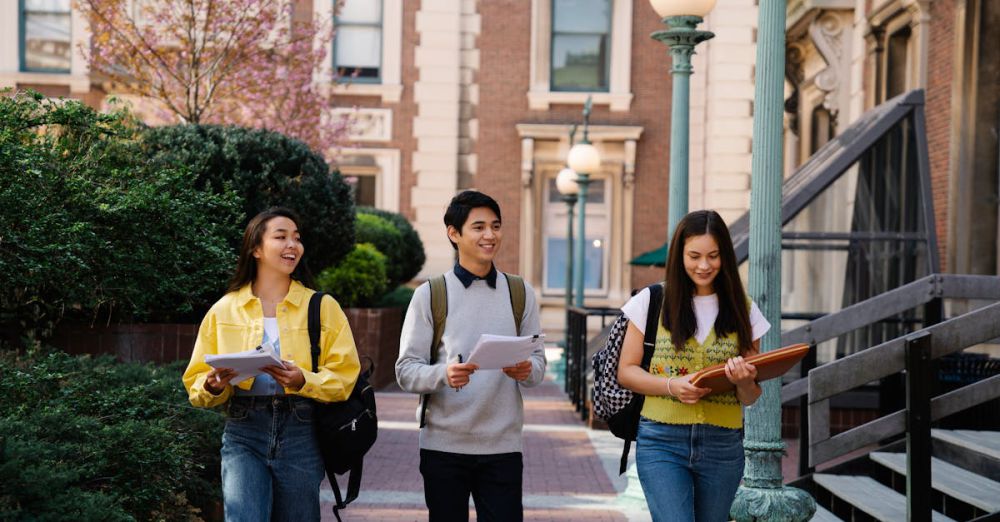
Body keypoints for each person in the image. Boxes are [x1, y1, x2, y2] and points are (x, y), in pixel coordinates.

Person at [182, 207, 360, 522]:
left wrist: (304, 380)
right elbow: (196, 382)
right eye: (281, 237)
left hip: (301, 430)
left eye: (297, 238)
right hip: (243, 428)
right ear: (256, 249)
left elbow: (345, 376)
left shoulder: (321, 306)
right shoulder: (225, 309)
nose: (293, 245)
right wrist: (212, 385)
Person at [395, 190, 546, 522]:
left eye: (495, 226)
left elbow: (538, 366)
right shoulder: (430, 294)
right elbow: (406, 370)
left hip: (503, 447)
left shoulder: (520, 292)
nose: (490, 235)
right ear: (454, 233)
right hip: (443, 447)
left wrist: (525, 369)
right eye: (478, 227)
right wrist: (443, 374)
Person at [617, 209, 770, 522]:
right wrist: (671, 386)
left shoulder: (745, 308)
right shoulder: (651, 301)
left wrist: (743, 382)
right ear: (679, 255)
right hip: (662, 440)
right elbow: (627, 371)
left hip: (723, 445)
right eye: (694, 256)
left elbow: (752, 396)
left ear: (724, 256)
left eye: (713, 256)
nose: (704, 265)